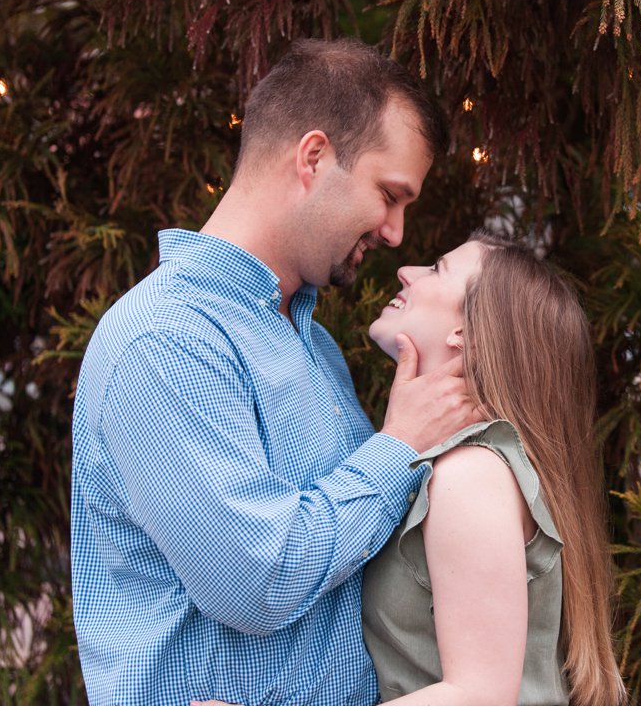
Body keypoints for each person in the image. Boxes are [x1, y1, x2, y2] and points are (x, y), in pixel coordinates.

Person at [70, 38, 480, 705]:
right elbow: (256, 584)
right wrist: (396, 450)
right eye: (389, 195)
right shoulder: (167, 342)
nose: (398, 234)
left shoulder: (310, 344)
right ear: (313, 157)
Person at [361, 230, 628, 705]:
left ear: (463, 333)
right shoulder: (465, 465)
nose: (406, 270)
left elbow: (478, 696)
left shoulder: (470, 474)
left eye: (438, 268)